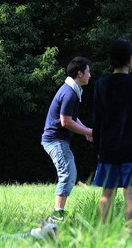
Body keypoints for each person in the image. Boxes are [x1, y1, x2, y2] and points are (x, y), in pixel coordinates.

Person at [91, 38, 132, 227]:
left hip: (108, 148)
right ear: (130, 59)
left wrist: (98, 146)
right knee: (131, 194)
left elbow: (97, 119)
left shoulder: (101, 84)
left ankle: (104, 232)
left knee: (106, 193)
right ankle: (129, 235)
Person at [41, 56, 93, 223]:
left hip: (55, 139)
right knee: (68, 174)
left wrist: (86, 130)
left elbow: (71, 117)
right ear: (80, 73)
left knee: (69, 173)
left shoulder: (72, 90)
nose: (90, 75)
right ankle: (57, 216)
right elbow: (65, 121)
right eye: (88, 71)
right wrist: (88, 131)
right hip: (55, 140)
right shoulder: (70, 93)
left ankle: (58, 215)